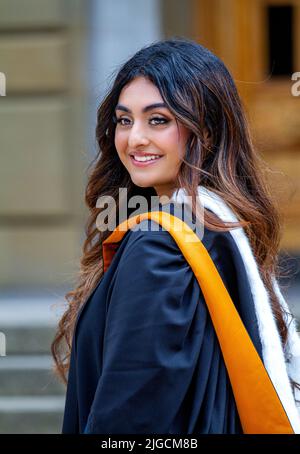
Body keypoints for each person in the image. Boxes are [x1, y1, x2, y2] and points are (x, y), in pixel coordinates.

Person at [51, 37, 300, 434]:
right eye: (124, 119)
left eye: (159, 120)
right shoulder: (221, 226)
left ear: (208, 129)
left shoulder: (159, 247)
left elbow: (130, 421)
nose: (134, 140)